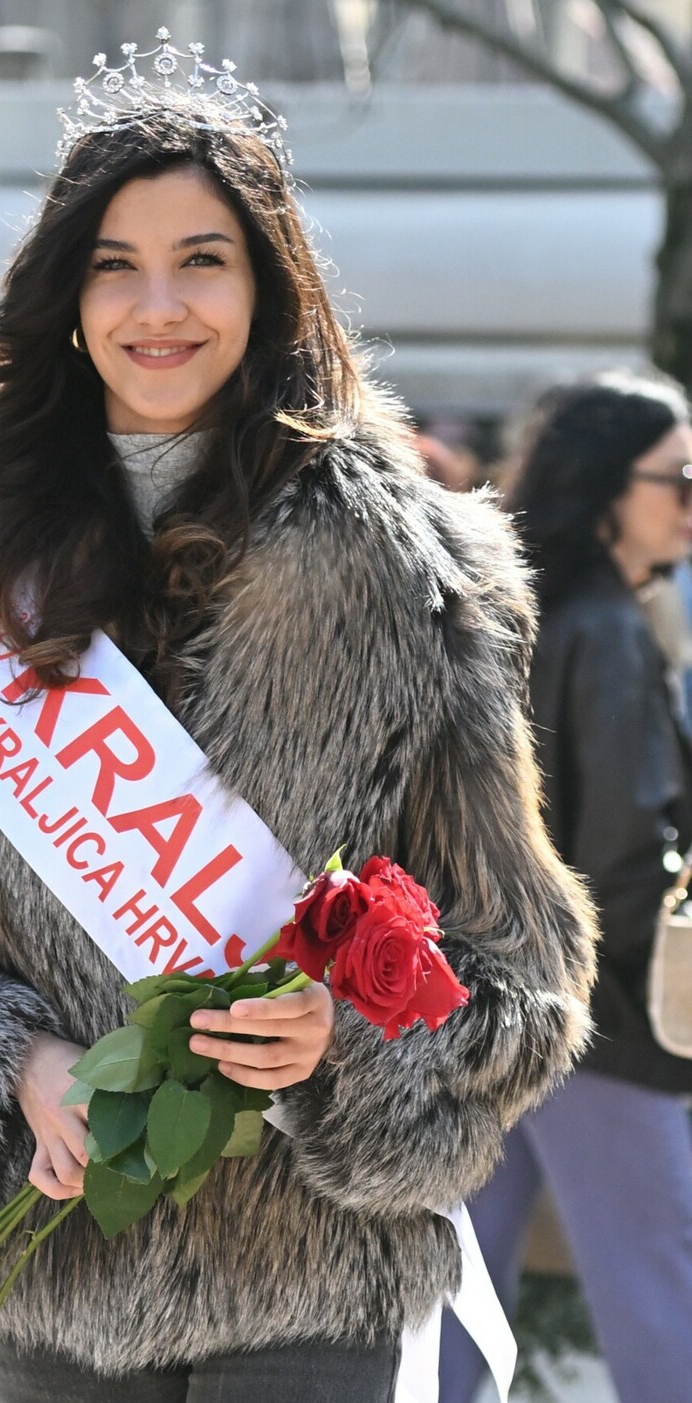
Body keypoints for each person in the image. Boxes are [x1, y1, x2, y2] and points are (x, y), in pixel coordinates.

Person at [0, 34, 596, 1403]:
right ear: (64, 296)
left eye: (204, 258)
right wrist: (14, 1063)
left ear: (271, 284)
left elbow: (524, 972)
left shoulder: (417, 579)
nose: (160, 304)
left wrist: (349, 1033)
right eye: (113, 262)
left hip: (320, 1261)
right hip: (55, 1269)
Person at [438, 371, 692, 1403]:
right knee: (662, 1289)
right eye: (677, 476)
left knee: (454, 1300)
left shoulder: (529, 614)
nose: (691, 498)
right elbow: (626, 852)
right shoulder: (610, 630)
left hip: (481, 1003)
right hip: (602, 1017)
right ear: (605, 487)